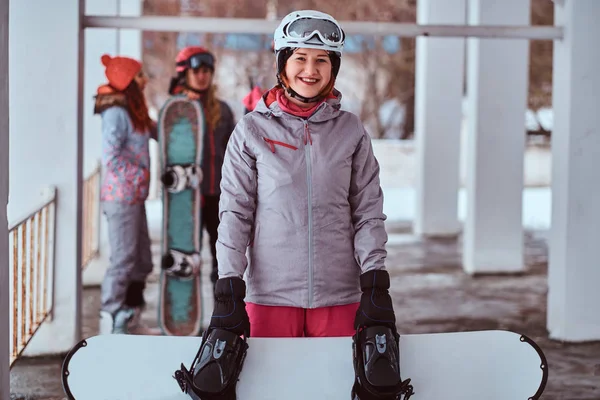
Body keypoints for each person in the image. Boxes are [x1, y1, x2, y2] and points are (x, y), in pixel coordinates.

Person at [94, 54, 160, 335]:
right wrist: (140, 175)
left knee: (142, 259)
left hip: (133, 197)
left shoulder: (133, 109)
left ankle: (130, 310)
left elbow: (152, 131)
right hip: (121, 197)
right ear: (128, 81)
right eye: (139, 75)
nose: (144, 80)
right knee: (123, 258)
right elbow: (111, 157)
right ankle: (110, 314)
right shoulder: (116, 113)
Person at [167, 46, 236, 293]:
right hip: (187, 195)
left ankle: (222, 306)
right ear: (185, 73)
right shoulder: (175, 109)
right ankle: (184, 304)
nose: (202, 76)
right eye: (197, 70)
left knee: (223, 251)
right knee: (186, 250)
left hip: (217, 193)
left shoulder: (223, 110)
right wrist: (183, 109)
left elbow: (235, 150)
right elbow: (163, 141)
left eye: (207, 71)